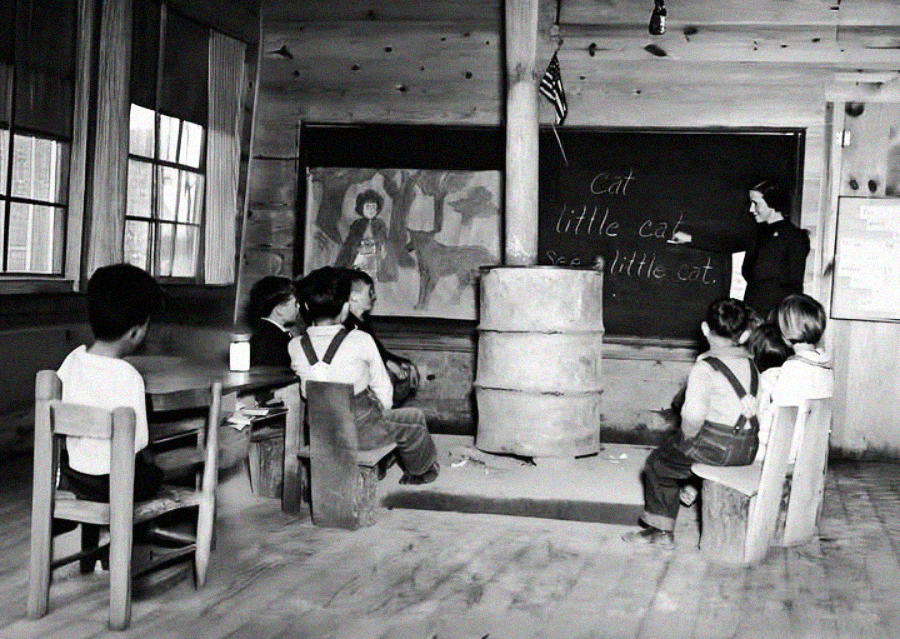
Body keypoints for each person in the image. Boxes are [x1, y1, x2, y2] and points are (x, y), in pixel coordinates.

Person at [624, 298, 759, 548]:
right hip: (748, 448)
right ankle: (690, 486)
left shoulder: (705, 368)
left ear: (706, 329)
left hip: (716, 447)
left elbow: (693, 416)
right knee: (682, 458)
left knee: (658, 464)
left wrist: (685, 437)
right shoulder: (752, 365)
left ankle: (660, 533)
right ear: (745, 335)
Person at [288, 266, 439, 484]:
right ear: (345, 308)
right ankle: (421, 472)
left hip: (320, 433)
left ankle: (378, 464)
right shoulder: (360, 340)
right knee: (414, 420)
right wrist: (383, 415)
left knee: (394, 422)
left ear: (306, 308)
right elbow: (384, 390)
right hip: (360, 431)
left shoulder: (295, 346)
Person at [57, 263, 165, 503]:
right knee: (154, 472)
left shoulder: (71, 362)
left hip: (74, 479)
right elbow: (139, 440)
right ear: (136, 332)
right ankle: (140, 529)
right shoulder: (128, 377)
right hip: (115, 485)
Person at [671, 179, 810, 318]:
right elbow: (725, 242)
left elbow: (795, 286)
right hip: (753, 316)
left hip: (775, 320)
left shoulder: (795, 238)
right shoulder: (758, 234)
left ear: (773, 204)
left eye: (756, 204)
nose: (751, 209)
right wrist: (690, 239)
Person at [342, 268, 420, 406]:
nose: (374, 297)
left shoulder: (363, 322)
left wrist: (404, 362)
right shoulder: (346, 325)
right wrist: (388, 364)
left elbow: (380, 351)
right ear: (354, 296)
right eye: (369, 292)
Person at [770, 294, 834, 463]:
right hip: (812, 455)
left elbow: (779, 417)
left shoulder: (792, 368)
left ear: (785, 332)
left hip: (785, 455)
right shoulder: (825, 365)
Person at [747, 322, 793, 463]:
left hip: (764, 453)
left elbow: (755, 422)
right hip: (791, 452)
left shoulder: (760, 384)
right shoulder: (793, 379)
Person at [334, 189, 398, 283]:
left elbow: (383, 241)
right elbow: (350, 242)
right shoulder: (357, 224)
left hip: (374, 257)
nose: (371, 210)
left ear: (377, 209)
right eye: (368, 207)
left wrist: (383, 249)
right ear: (361, 208)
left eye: (373, 207)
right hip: (360, 256)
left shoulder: (380, 224)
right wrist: (356, 249)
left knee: (371, 279)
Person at [245, 275, 301, 367]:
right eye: (295, 304)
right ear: (279, 309)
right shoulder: (276, 340)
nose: (298, 307)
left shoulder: (261, 333)